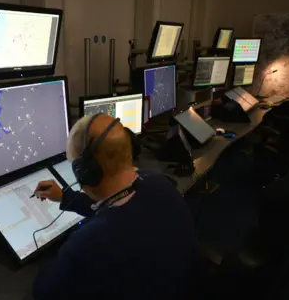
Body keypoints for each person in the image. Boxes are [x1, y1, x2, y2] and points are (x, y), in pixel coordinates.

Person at [32, 113, 198, 300]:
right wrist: (65, 197)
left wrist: (58, 257)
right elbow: (118, 204)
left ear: (86, 173)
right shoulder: (159, 182)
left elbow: (44, 291)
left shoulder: (87, 245)